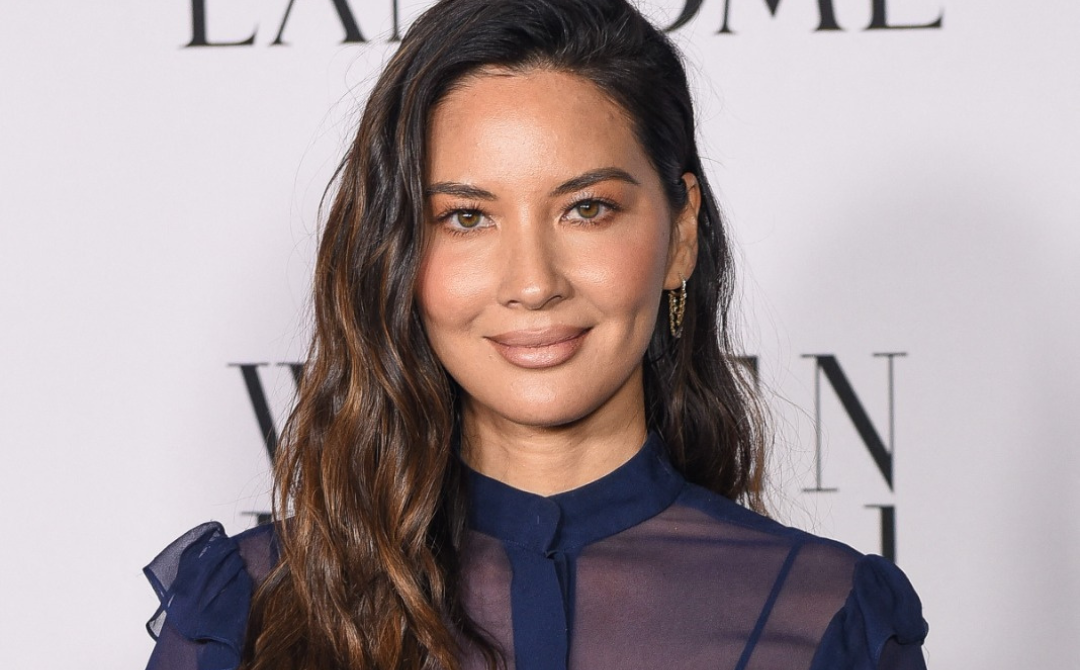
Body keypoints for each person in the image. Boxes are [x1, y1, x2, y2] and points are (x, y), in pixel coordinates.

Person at [143, 0, 929, 668]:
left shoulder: (829, 618)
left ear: (681, 233)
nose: (532, 281)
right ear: (400, 252)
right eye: (466, 217)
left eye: (587, 208)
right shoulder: (251, 608)